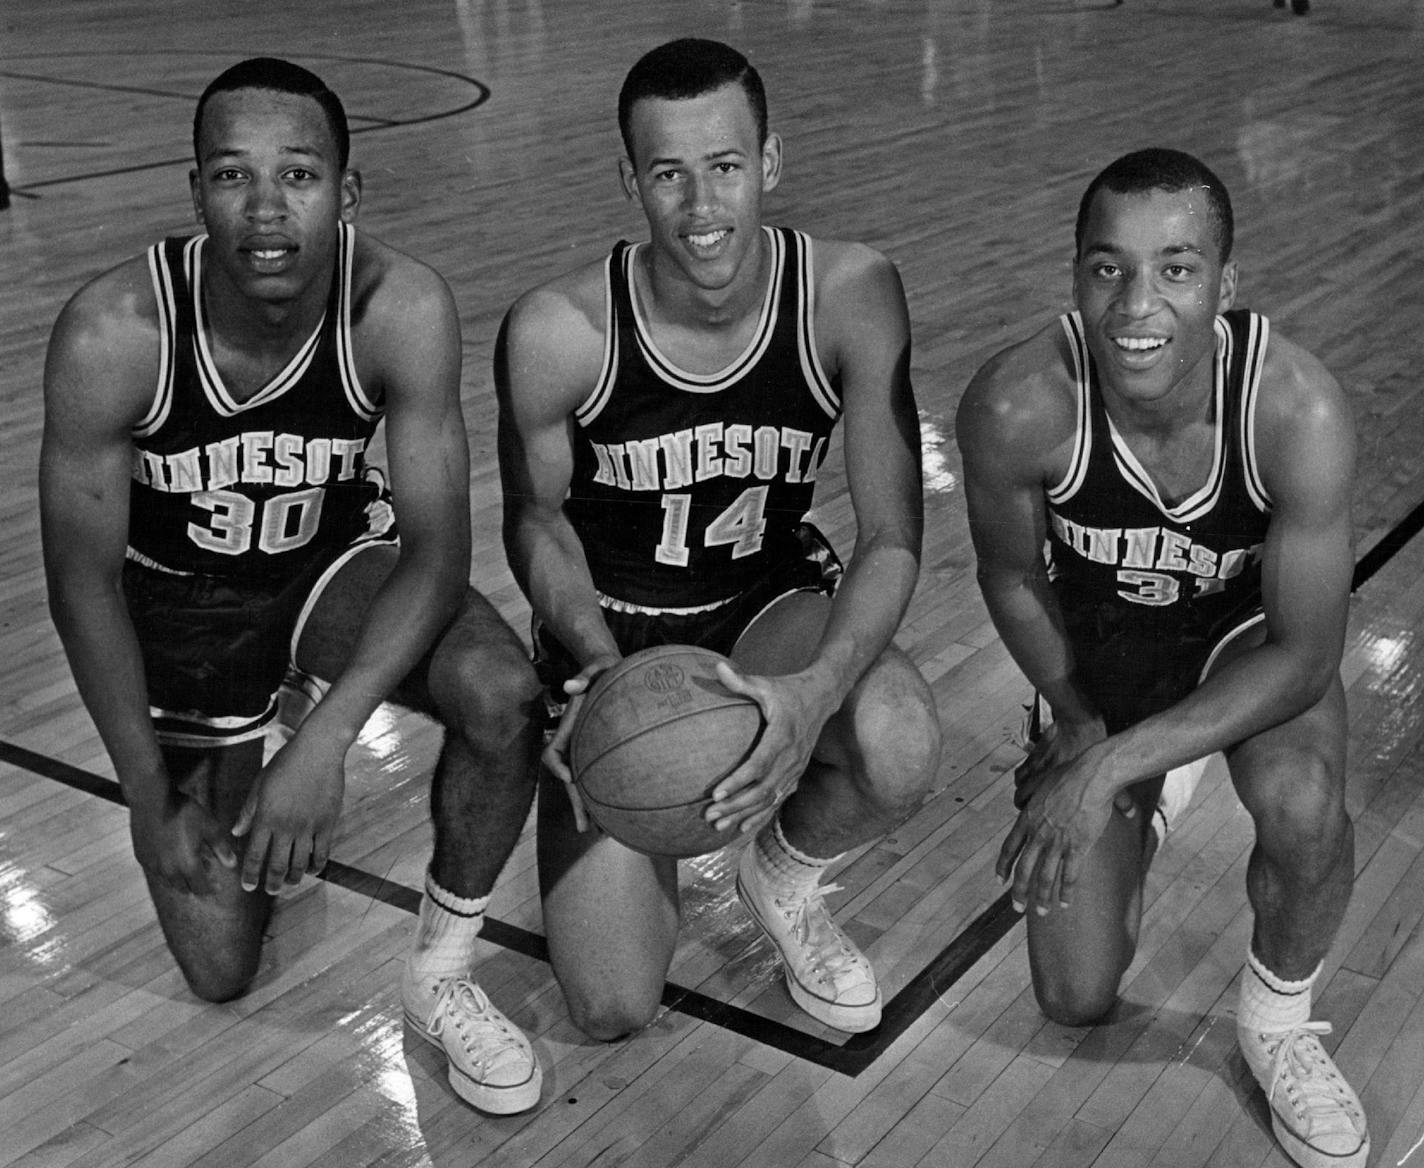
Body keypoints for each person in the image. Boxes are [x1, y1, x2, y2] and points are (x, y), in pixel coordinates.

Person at [40, 58, 543, 1115]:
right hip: (183, 601)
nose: (266, 211)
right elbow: (82, 585)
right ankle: (249, 717)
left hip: (327, 561)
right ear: (194, 192)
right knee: (220, 964)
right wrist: (142, 796)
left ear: (347, 194)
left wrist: (327, 744)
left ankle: (440, 969)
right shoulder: (113, 333)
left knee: (501, 692)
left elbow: (438, 552)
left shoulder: (398, 307)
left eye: (300, 175)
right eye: (232, 176)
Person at [496, 38, 941, 1040]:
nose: (699, 206)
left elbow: (891, 537)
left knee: (896, 738)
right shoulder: (558, 331)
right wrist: (603, 672)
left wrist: (816, 687)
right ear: (630, 180)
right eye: (667, 173)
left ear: (769, 164)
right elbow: (533, 520)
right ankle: (627, 803)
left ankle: (777, 876)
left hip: (759, 605)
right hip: (612, 632)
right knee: (610, 1006)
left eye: (725, 167)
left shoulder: (849, 294)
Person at [956, 148, 1365, 1168]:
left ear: (1224, 286)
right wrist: (1077, 721)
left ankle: (1275, 1026)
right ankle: (1154, 766)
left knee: (1304, 802)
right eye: (1107, 268)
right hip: (1100, 656)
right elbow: (1012, 578)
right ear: (1074, 275)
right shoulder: (1017, 403)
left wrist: (1103, 765)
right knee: (1073, 995)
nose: (1135, 303)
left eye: (1175, 269)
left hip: (1242, 642)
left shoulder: (1294, 411)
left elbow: (1306, 657)